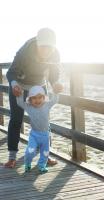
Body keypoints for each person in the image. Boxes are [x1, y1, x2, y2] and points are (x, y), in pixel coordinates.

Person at [5, 27, 63, 168]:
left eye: (49, 48)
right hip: (20, 85)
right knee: (16, 119)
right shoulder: (25, 51)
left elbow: (54, 74)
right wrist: (14, 85)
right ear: (37, 43)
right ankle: (12, 157)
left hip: (39, 85)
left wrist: (55, 84)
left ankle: (46, 155)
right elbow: (10, 72)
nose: (46, 51)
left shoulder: (55, 54)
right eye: (42, 47)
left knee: (44, 121)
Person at [17, 85, 59, 173]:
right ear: (30, 99)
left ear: (44, 98)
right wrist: (19, 95)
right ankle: (27, 163)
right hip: (34, 135)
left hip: (45, 135)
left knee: (45, 152)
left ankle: (42, 166)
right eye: (34, 98)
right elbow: (20, 103)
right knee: (30, 151)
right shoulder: (29, 107)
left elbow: (55, 100)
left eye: (40, 97)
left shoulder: (47, 105)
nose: (37, 100)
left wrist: (56, 92)